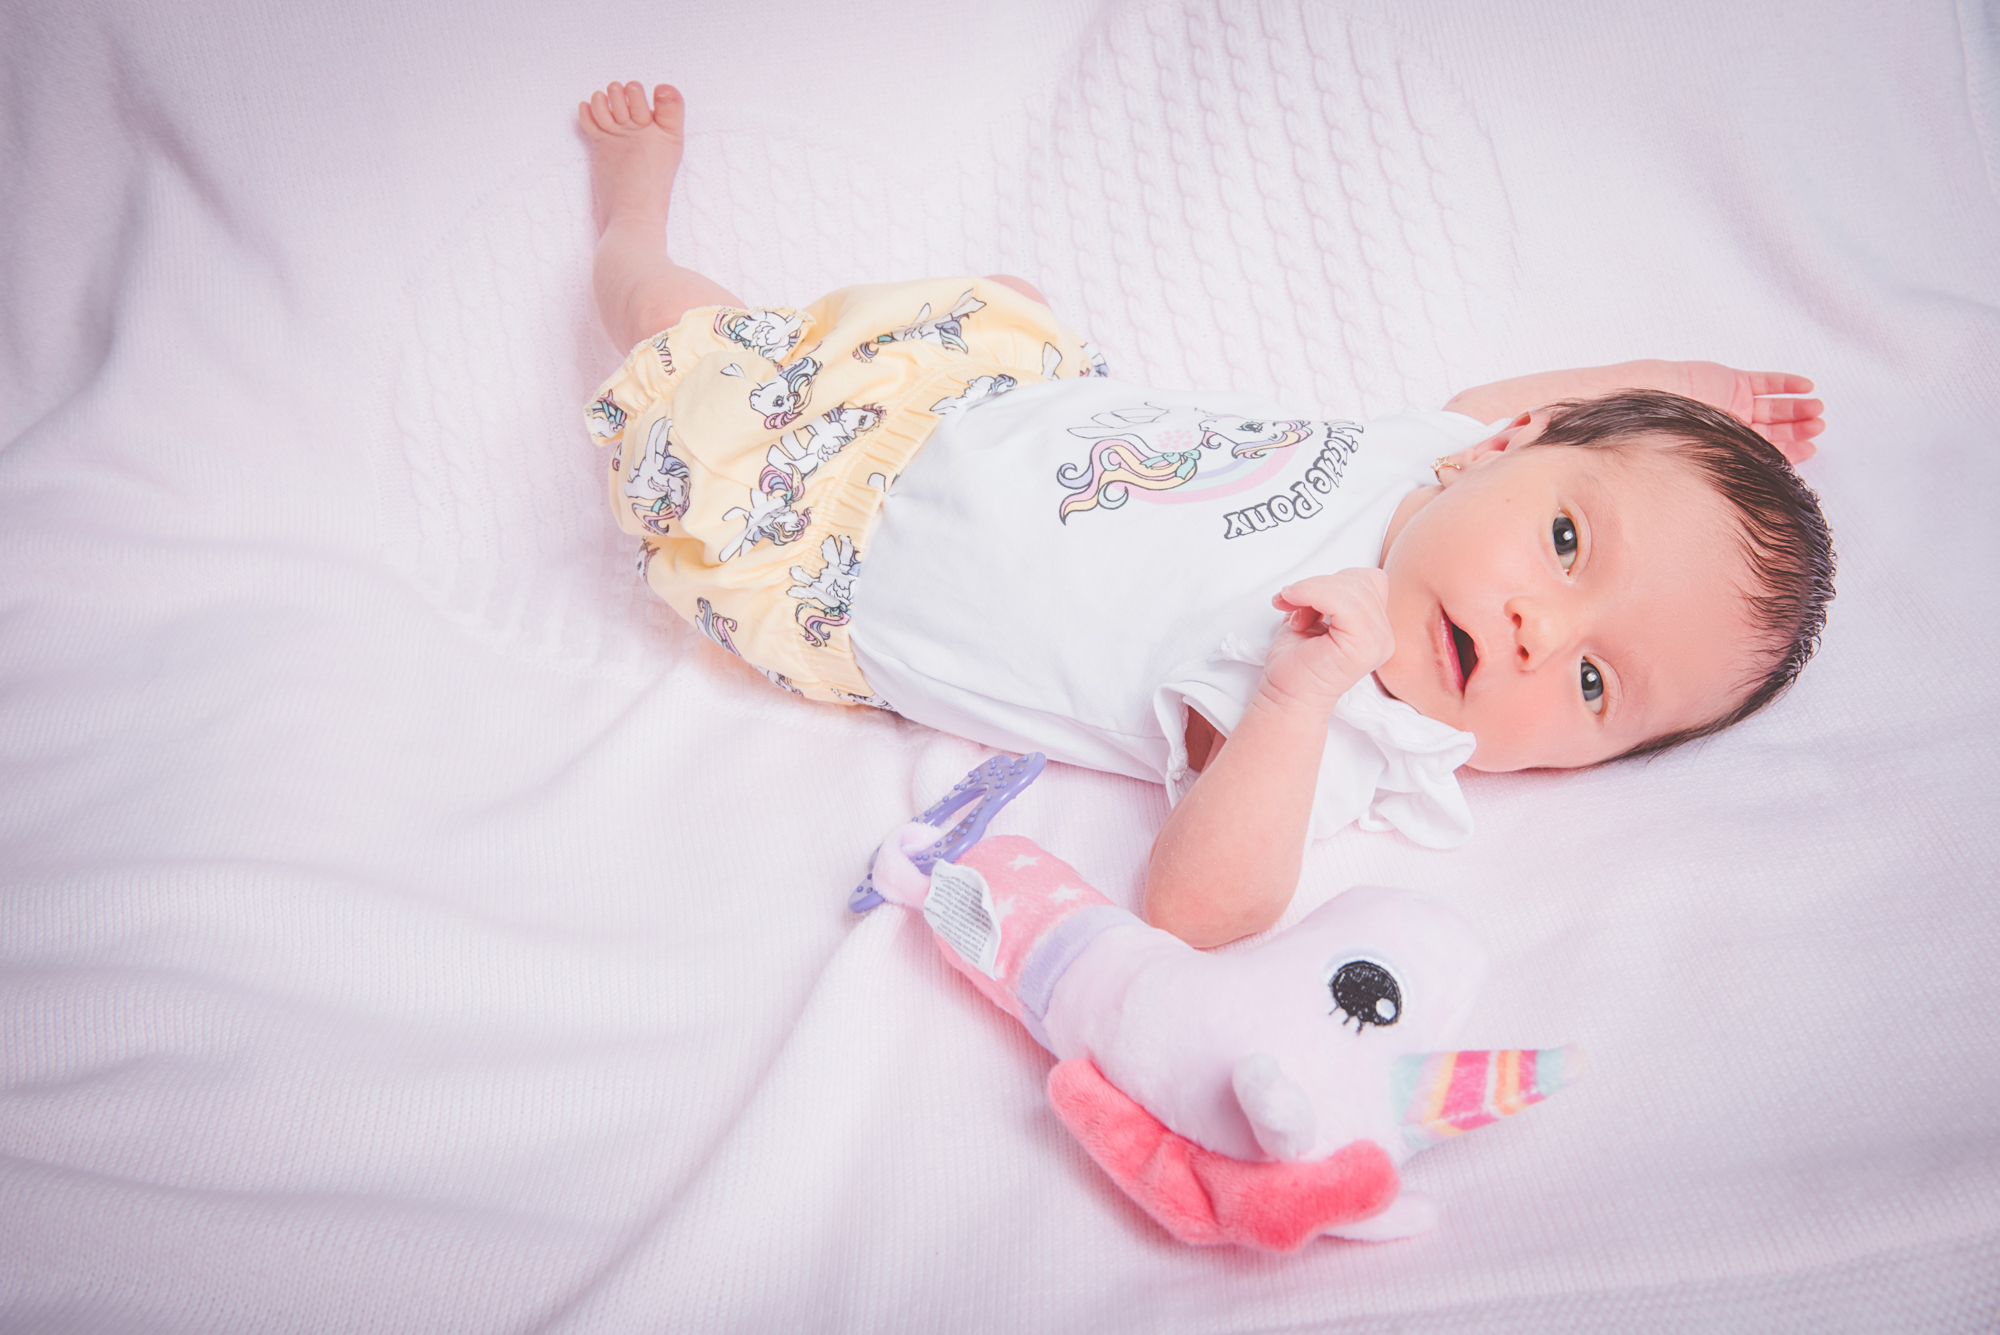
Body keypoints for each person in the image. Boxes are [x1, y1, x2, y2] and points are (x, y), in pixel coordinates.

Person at [577, 82, 1835, 947]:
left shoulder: (1348, 723)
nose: (1532, 633)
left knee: (682, 338)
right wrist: (1695, 392)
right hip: (980, 411)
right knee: (946, 306)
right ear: (1503, 454)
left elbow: (1194, 913)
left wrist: (1291, 699)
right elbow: (1553, 414)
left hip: (843, 554)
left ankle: (633, 226)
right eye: (1567, 546)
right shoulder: (1444, 456)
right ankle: (682, 266)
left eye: (1594, 687)